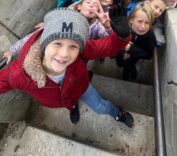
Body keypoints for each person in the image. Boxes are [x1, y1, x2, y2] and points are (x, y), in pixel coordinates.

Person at [0, 8, 134, 128]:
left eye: (73, 46)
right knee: (70, 104)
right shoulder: (20, 74)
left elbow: (107, 46)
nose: (64, 54)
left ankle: (117, 113)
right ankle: (73, 106)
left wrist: (121, 37)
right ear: (44, 43)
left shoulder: (82, 50)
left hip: (81, 87)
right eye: (57, 43)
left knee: (99, 107)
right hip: (62, 99)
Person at [116, 2, 156, 81]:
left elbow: (148, 55)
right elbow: (113, 44)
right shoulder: (123, 29)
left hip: (134, 58)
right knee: (120, 63)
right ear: (131, 20)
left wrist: (131, 48)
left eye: (147, 23)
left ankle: (128, 71)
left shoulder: (150, 35)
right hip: (120, 55)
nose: (143, 27)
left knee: (129, 67)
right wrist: (121, 54)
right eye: (139, 21)